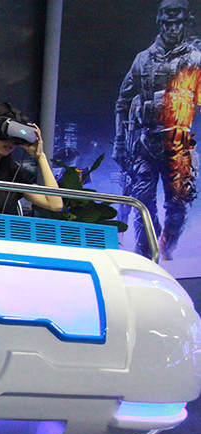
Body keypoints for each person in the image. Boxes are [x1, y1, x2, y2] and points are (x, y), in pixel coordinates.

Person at [113, 0, 201, 259]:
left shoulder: (195, 60)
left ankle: (167, 251)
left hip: (179, 143)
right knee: (141, 203)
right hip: (145, 142)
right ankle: (146, 253)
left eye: (177, 23)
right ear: (160, 23)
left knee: (178, 207)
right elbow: (123, 102)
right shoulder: (143, 60)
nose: (172, 28)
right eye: (168, 23)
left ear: (184, 23)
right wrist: (119, 142)